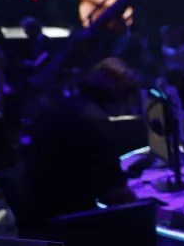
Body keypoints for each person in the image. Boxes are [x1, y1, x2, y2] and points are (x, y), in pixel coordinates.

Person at [20, 58, 138, 233]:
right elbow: (115, 195)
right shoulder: (94, 123)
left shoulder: (64, 108)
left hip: (38, 216)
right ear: (118, 95)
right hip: (70, 224)